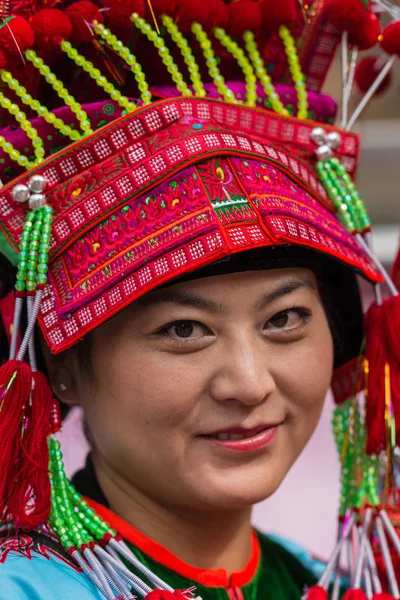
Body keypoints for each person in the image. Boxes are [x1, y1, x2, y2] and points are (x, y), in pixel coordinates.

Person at [0, 1, 398, 599]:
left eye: (284, 318)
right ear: (64, 366)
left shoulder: (344, 583)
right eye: (185, 330)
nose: (249, 382)